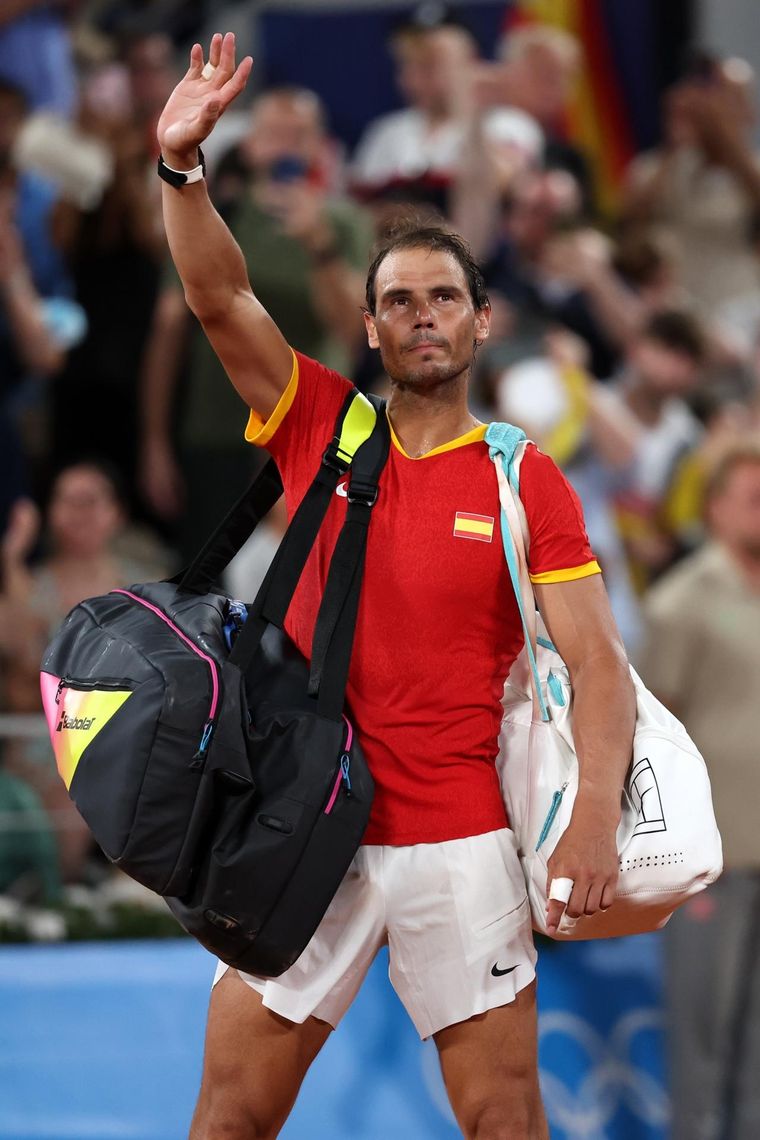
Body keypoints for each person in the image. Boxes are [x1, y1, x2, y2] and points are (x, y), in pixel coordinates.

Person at [157, 32, 636, 1138]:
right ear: (368, 328)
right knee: (227, 1117)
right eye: (400, 300)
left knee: (505, 1121)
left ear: (480, 319)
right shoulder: (322, 424)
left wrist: (596, 819)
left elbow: (597, 663)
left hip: (461, 840)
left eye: (443, 296)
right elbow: (219, 295)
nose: (423, 313)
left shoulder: (524, 476)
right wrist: (182, 169)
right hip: (305, 833)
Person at [139, 84, 373, 560]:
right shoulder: (213, 214)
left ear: (320, 147)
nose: (286, 144)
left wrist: (320, 246)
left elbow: (353, 332)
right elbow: (168, 332)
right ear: (249, 145)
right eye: (274, 132)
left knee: (307, 576)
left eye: (300, 133)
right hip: (217, 426)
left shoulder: (344, 223)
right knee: (210, 579)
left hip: (313, 432)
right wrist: (154, 440)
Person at [637, 439, 760, 1139]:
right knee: (703, 1048)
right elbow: (651, 736)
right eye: (752, 497)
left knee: (756, 1060)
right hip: (712, 865)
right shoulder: (682, 603)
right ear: (713, 510)